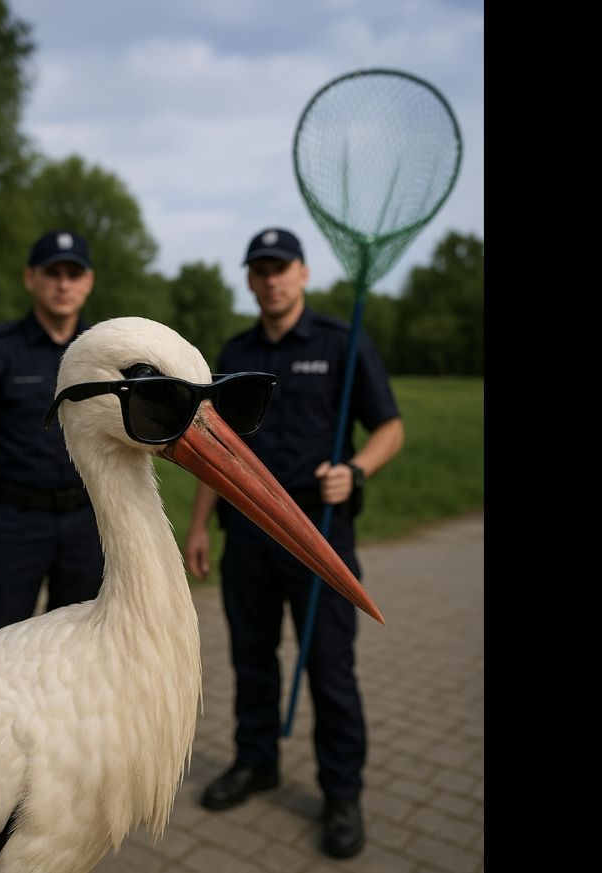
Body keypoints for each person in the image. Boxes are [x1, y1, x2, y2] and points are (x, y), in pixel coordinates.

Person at [182, 227, 404, 859]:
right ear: (250, 280)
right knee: (251, 659)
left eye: (282, 267)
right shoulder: (234, 351)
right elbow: (214, 447)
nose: (272, 279)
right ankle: (256, 762)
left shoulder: (341, 342)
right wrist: (197, 527)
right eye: (261, 269)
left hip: (318, 534)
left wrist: (355, 469)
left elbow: (390, 428)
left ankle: (342, 794)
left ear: (303, 273)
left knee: (329, 668)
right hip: (247, 536)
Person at [0, 229, 107, 640]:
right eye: (53, 273)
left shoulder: (103, 354)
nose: (63, 284)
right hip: (15, 523)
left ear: (88, 281)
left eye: (74, 274)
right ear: (30, 278)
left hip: (87, 521)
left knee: (83, 650)